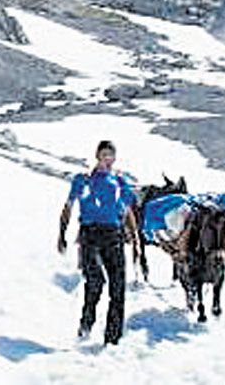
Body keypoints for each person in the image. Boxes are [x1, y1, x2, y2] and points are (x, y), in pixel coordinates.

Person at [57, 140, 138, 345]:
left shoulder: (120, 182)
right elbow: (68, 207)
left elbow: (127, 211)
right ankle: (86, 323)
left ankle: (112, 340)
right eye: (104, 155)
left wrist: (135, 237)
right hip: (89, 236)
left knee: (118, 288)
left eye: (111, 155)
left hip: (114, 236)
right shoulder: (83, 180)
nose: (107, 159)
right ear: (97, 156)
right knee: (95, 282)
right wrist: (62, 234)